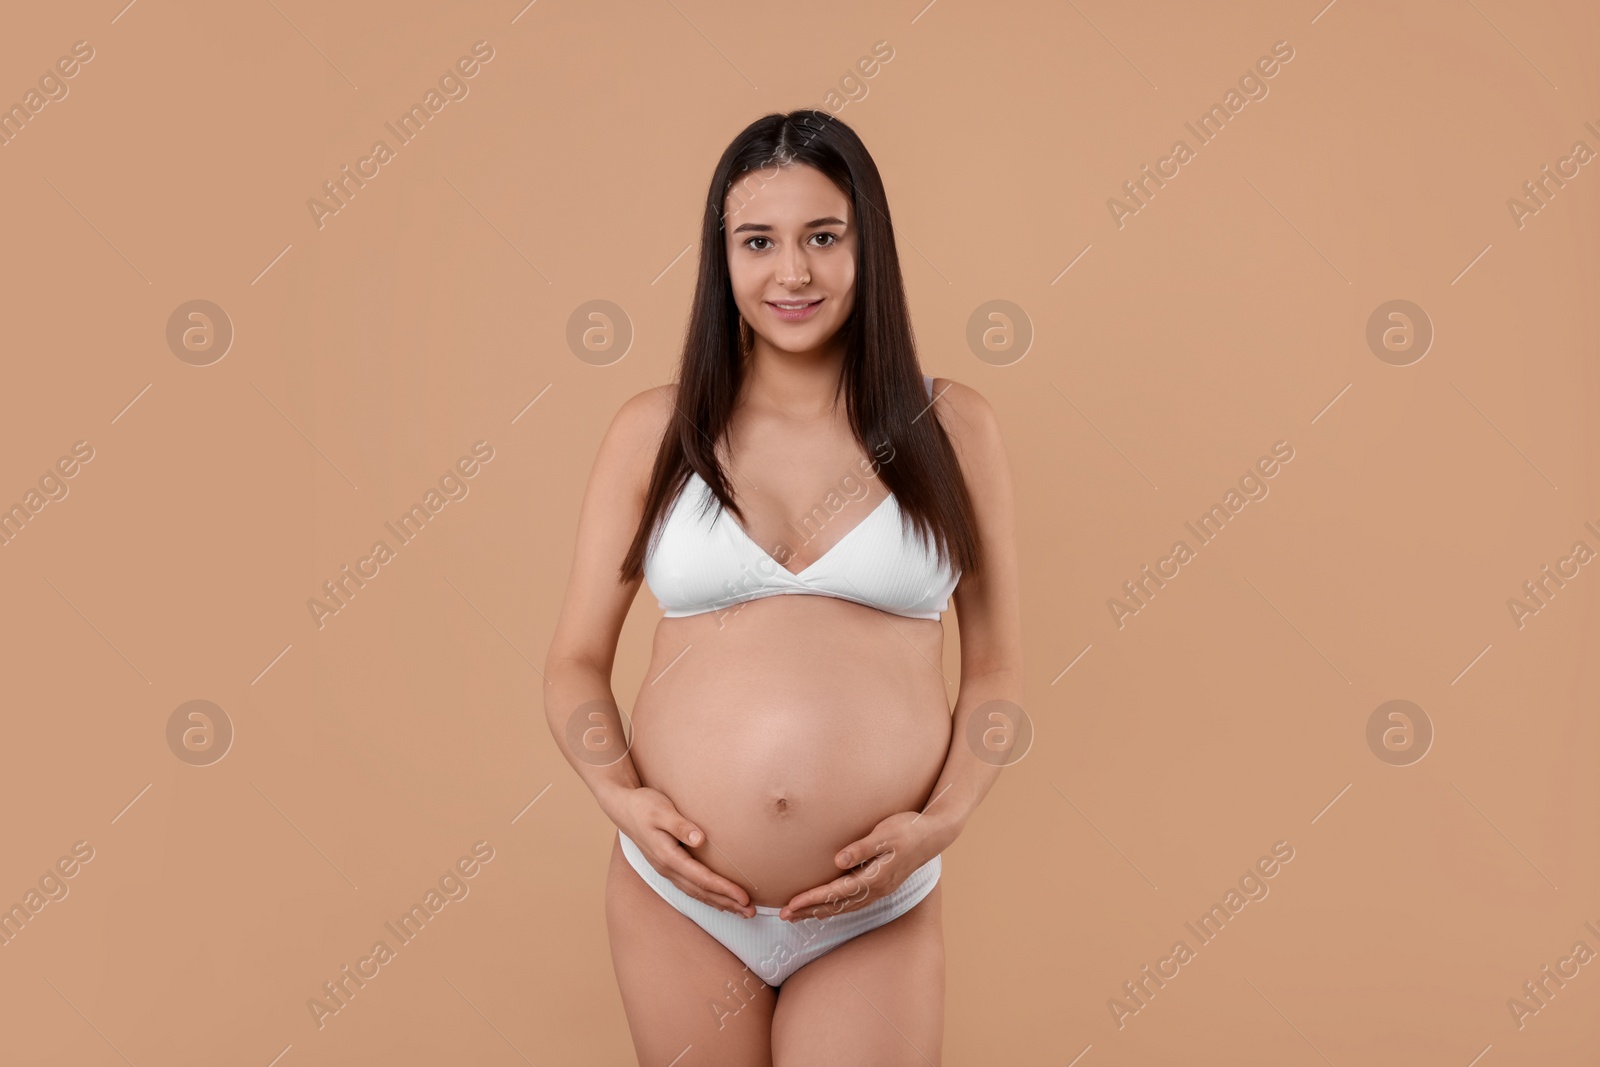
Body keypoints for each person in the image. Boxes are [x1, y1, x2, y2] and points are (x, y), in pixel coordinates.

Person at [544, 108, 1022, 1066]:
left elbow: (999, 670)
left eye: (823, 238)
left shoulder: (953, 426)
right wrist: (619, 796)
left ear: (867, 246)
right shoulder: (655, 430)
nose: (791, 273)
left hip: (873, 908)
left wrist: (944, 819)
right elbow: (575, 665)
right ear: (722, 258)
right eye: (757, 242)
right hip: (679, 898)